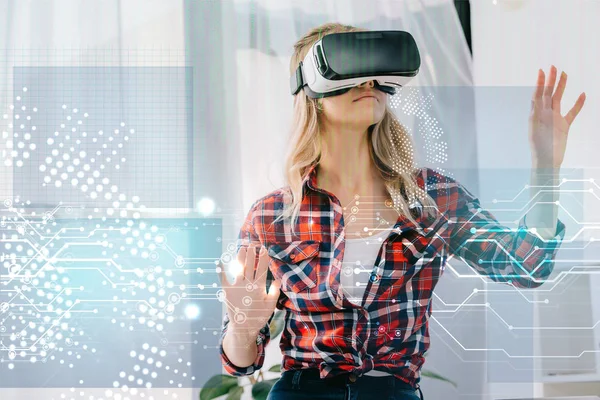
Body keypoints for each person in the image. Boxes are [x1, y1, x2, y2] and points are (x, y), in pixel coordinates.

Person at [218, 22, 585, 400]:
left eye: (376, 72)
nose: (369, 83)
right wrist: (243, 329)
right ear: (310, 87)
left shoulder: (432, 198)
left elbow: (528, 265)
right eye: (351, 68)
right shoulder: (273, 215)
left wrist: (546, 166)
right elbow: (241, 363)